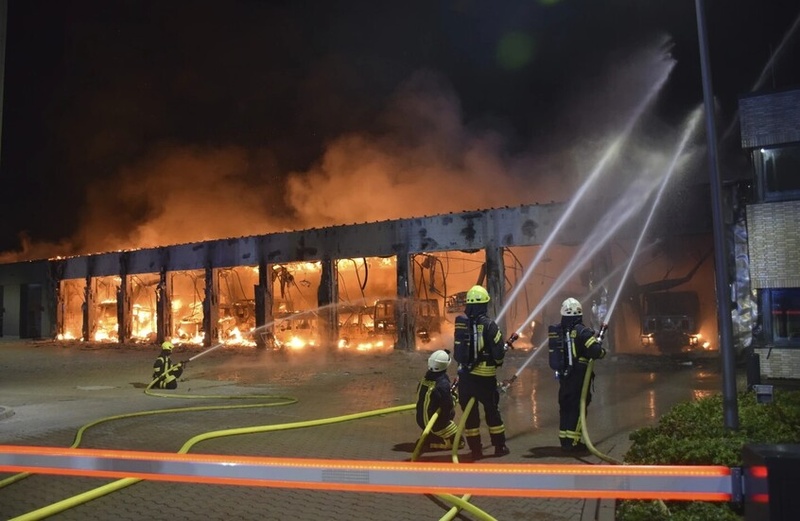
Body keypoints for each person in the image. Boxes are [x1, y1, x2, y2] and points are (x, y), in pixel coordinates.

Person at [454, 285, 510, 459]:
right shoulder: (490, 326)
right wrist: (497, 363)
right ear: (484, 304)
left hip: (465, 379)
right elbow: (498, 354)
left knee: (470, 417)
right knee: (492, 412)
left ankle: (476, 450)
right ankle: (499, 447)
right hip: (485, 379)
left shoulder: (461, 323)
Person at [555, 297, 606, 452]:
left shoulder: (560, 331)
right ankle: (573, 442)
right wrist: (602, 351)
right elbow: (595, 351)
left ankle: (565, 440)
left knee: (565, 406)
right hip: (579, 376)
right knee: (578, 407)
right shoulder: (582, 331)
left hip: (564, 376)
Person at [414, 349, 463, 451]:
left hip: (421, 421)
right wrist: (454, 397)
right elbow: (448, 406)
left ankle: (429, 437)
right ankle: (434, 444)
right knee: (460, 442)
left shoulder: (424, 379)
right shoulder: (442, 384)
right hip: (435, 424)